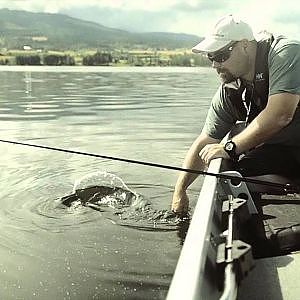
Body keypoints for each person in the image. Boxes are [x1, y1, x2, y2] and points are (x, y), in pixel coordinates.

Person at [171, 14, 300, 216]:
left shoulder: (286, 52)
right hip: (287, 152)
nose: (215, 65)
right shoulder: (229, 92)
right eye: (210, 57)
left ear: (245, 46)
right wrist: (180, 191)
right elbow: (205, 140)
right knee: (236, 174)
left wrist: (229, 147)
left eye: (221, 56)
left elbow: (280, 114)